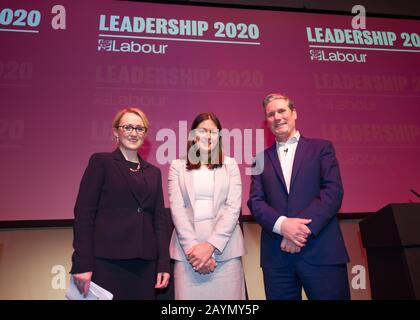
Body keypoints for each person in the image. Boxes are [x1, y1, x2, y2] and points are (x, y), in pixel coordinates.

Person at [247, 93, 350, 300]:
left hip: (322, 253)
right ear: (267, 121)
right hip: (277, 259)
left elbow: (332, 192)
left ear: (294, 113)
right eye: (271, 114)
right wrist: (283, 226)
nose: (277, 117)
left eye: (282, 111)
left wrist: (299, 231)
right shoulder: (259, 159)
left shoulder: (322, 148)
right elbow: (255, 201)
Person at [70, 107, 170, 300]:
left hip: (145, 265)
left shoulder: (154, 173)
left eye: (140, 129)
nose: (134, 133)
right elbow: (84, 214)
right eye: (128, 127)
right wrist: (82, 263)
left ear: (145, 134)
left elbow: (159, 221)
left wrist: (163, 263)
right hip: (106, 262)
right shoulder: (101, 162)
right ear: (116, 132)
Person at [168, 112, 247, 300]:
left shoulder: (230, 164)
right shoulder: (177, 166)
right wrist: (195, 252)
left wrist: (210, 247)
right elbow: (177, 211)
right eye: (203, 130)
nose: (208, 135)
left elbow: (233, 209)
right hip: (188, 255)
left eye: (213, 131)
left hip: (226, 253)